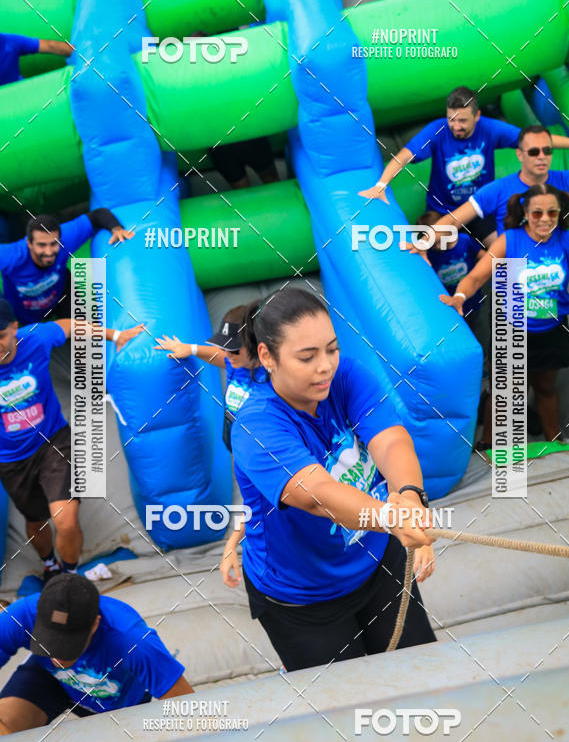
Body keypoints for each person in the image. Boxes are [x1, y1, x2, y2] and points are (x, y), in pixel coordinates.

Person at [230, 288, 436, 673]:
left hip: (375, 558)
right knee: (347, 711)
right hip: (303, 598)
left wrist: (409, 496)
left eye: (332, 349)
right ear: (266, 357)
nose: (325, 366)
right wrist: (393, 517)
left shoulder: (347, 376)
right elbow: (317, 495)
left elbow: (389, 439)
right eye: (307, 357)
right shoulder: (256, 424)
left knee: (419, 673)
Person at [440, 184, 569, 445]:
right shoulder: (510, 241)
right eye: (537, 213)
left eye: (552, 213)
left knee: (546, 388)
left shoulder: (568, 240)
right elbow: (476, 276)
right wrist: (459, 296)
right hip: (514, 331)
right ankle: (488, 442)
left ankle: (554, 440)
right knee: (504, 392)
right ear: (526, 212)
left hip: (552, 331)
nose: (545, 219)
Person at [0, 298, 144, 580]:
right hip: (11, 459)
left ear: (14, 328)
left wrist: (116, 335)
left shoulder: (36, 339)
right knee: (36, 521)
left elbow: (70, 326)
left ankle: (69, 575)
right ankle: (50, 564)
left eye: (0, 337)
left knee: (65, 520)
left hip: (53, 440)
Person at [359, 88, 569, 246]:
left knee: (503, 251)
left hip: (482, 208)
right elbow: (404, 156)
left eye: (462, 120)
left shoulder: (490, 129)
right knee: (436, 245)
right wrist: (382, 184)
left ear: (477, 116)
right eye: (451, 119)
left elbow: (536, 139)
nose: (455, 126)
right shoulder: (438, 130)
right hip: (442, 211)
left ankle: (502, 308)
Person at [155, 305, 268, 587]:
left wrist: (231, 543)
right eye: (227, 348)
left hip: (260, 456)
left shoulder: (271, 382)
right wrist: (190, 349)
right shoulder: (238, 362)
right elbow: (221, 357)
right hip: (239, 446)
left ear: (260, 351)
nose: (229, 355)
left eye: (235, 350)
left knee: (259, 506)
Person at [0, 573, 193, 735]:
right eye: (49, 642)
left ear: (94, 624)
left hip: (116, 698)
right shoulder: (20, 616)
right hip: (50, 679)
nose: (57, 655)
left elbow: (189, 710)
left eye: (66, 645)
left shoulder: (134, 642)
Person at [430, 125, 569, 246]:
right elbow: (453, 220)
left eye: (547, 151)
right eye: (534, 152)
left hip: (550, 269)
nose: (541, 156)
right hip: (512, 273)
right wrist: (423, 243)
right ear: (520, 155)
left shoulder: (568, 180)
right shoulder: (499, 189)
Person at [0, 210, 133, 326]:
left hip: (60, 294)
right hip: (25, 314)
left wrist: (116, 229)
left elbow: (98, 215)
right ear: (29, 243)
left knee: (85, 334)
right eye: (41, 245)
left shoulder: (66, 239)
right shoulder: (11, 256)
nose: (48, 251)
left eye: (53, 244)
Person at [0, 32, 74, 86]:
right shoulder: (9, 42)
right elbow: (50, 46)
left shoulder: (9, 42)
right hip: (21, 91)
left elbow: (50, 46)